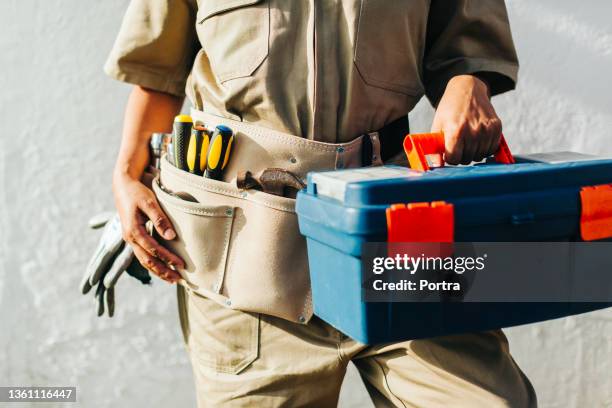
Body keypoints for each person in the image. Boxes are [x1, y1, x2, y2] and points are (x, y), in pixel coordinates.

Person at [106, 1, 536, 406]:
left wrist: (468, 84)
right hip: (244, 263)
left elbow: (468, 44)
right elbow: (158, 71)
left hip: (391, 240)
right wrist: (128, 177)